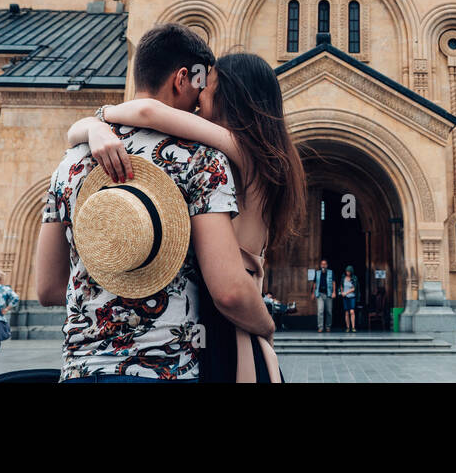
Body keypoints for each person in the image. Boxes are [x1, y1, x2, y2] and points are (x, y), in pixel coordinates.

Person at [39, 24, 289, 382]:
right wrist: (268, 325)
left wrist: (92, 125)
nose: (199, 105)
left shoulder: (69, 164)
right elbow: (231, 292)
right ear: (182, 79)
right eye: (199, 89)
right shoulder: (201, 158)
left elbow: (48, 289)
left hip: (80, 368)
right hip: (168, 366)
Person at [312, 258, 336, 333]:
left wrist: (334, 292)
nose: (323, 265)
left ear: (327, 265)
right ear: (320, 265)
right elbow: (315, 283)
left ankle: (328, 326)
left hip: (328, 294)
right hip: (320, 294)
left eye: (325, 264)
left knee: (329, 311)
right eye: (322, 264)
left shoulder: (331, 272)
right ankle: (320, 327)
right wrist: (313, 293)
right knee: (320, 311)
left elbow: (333, 282)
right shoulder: (317, 273)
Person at [342, 265, 360, 332]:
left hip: (352, 296)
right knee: (346, 312)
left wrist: (346, 293)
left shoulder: (354, 278)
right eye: (347, 271)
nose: (348, 273)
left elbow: (354, 288)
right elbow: (341, 285)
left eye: (349, 271)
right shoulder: (343, 278)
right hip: (345, 297)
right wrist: (342, 292)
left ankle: (353, 327)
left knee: (352, 311)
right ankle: (347, 327)